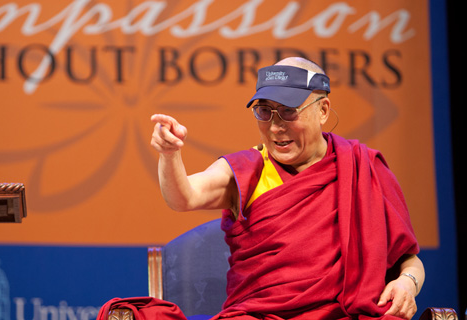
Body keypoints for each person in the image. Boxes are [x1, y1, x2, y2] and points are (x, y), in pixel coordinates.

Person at [150, 57, 424, 320]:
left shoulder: (363, 168)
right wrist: (170, 154)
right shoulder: (249, 170)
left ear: (323, 110)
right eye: (264, 112)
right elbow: (183, 197)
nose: (275, 127)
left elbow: (409, 261)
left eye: (288, 112)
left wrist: (407, 283)